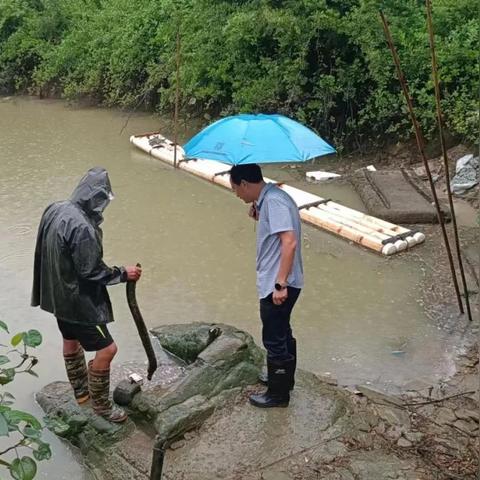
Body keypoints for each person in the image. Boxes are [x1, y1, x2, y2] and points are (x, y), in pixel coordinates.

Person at [31, 167, 141, 423]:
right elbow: (91, 271)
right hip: (81, 305)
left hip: (58, 296)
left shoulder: (56, 209)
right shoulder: (83, 228)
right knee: (108, 349)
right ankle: (101, 406)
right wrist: (124, 273)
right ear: (98, 199)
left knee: (70, 340)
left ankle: (81, 392)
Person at [229, 164, 303, 408]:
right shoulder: (271, 198)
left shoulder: (274, 202)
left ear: (245, 184)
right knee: (282, 331)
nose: (236, 195)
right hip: (280, 281)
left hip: (278, 283)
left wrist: (280, 284)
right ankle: (283, 380)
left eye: (235, 189)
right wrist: (259, 211)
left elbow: (289, 242)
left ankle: (278, 395)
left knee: (273, 338)